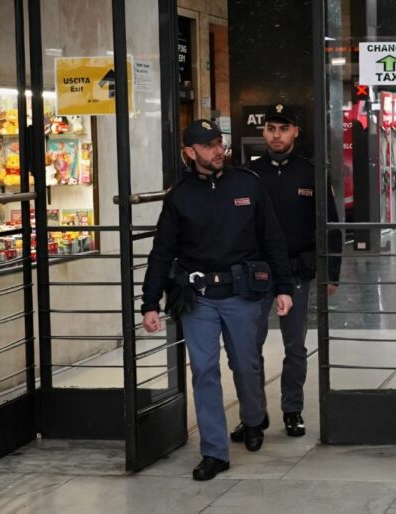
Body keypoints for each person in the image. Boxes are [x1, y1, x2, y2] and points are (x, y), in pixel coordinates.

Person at [141, 119, 294, 481]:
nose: (217, 151)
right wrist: (150, 302)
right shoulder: (179, 197)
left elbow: (272, 237)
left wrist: (283, 286)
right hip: (198, 298)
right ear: (189, 153)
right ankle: (215, 452)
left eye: (218, 143)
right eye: (208, 146)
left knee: (245, 365)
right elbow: (161, 253)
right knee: (204, 371)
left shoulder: (247, 183)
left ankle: (254, 419)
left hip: (242, 294)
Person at [229, 104, 342, 443]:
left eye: (283, 128)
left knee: (295, 346)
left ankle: (292, 409)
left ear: (295, 132)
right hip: (257, 274)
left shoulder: (311, 173)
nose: (276, 135)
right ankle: (254, 414)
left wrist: (332, 272)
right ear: (263, 132)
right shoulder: (248, 175)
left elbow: (331, 226)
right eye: (270, 128)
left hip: (295, 272)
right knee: (250, 346)